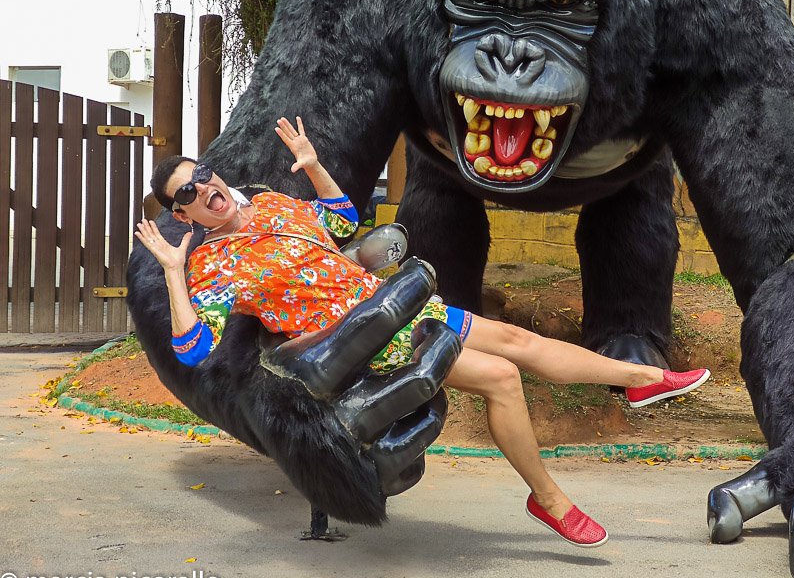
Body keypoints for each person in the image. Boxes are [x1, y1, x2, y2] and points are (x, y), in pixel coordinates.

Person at [135, 116, 711, 548]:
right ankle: (549, 500)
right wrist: (172, 274)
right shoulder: (214, 266)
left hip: (399, 303)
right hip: (368, 342)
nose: (204, 189)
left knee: (519, 342)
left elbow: (340, 220)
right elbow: (194, 349)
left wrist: (311, 163)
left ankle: (642, 378)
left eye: (203, 175)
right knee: (502, 378)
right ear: (183, 216)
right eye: (186, 194)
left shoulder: (275, 206)